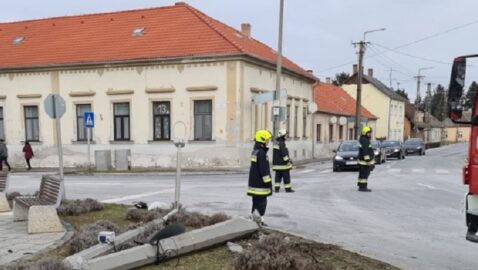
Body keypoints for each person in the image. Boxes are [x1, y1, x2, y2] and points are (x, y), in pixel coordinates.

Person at [247, 130, 273, 226]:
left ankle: (255, 221)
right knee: (262, 204)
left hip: (254, 184)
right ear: (263, 139)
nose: (268, 141)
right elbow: (264, 171)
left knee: (255, 203)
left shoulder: (255, 151)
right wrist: (269, 184)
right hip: (261, 185)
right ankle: (259, 221)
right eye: (267, 140)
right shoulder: (261, 153)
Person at [357, 126, 375, 192]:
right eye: (369, 133)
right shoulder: (365, 140)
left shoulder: (363, 139)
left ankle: (360, 186)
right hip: (365, 162)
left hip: (362, 161)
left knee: (362, 175)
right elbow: (365, 151)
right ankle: (363, 187)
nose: (370, 134)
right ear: (365, 133)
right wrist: (369, 162)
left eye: (370, 133)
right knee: (365, 175)